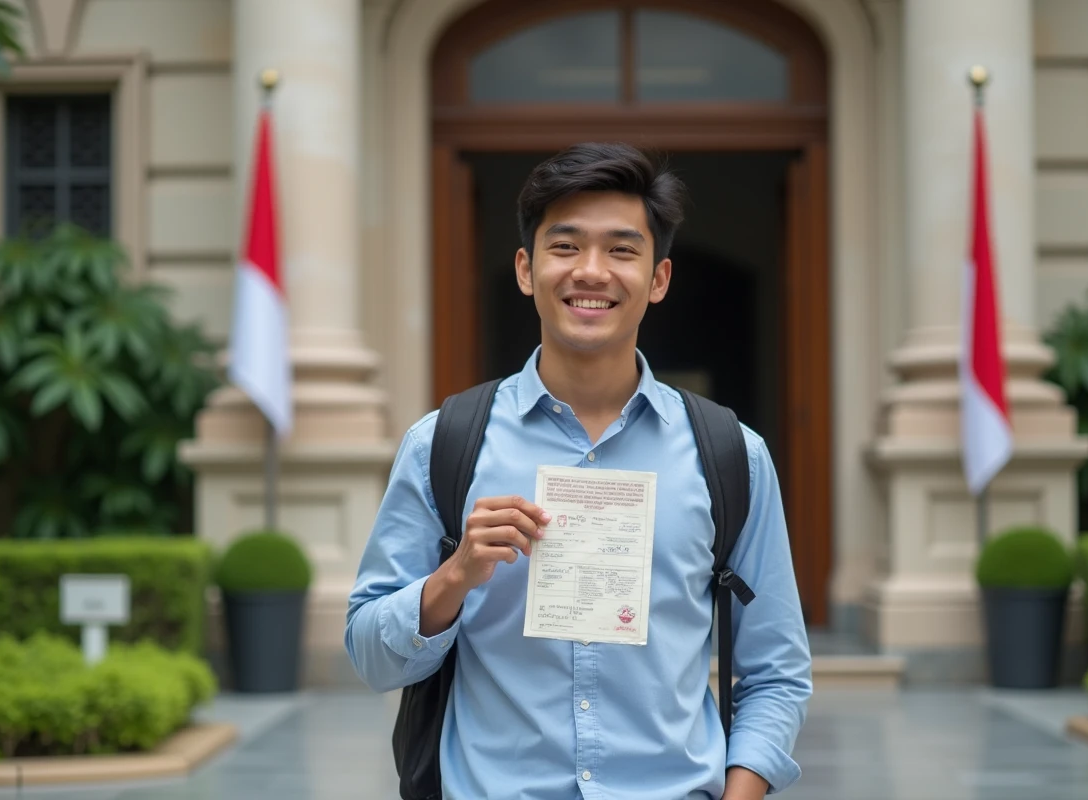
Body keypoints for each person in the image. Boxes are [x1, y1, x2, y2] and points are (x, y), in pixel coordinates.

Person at [345, 142, 812, 799]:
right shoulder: (443, 445)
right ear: (526, 269)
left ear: (658, 279)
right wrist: (455, 577)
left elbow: (776, 670)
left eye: (622, 249)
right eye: (564, 246)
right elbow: (369, 653)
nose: (591, 271)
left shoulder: (732, 455)